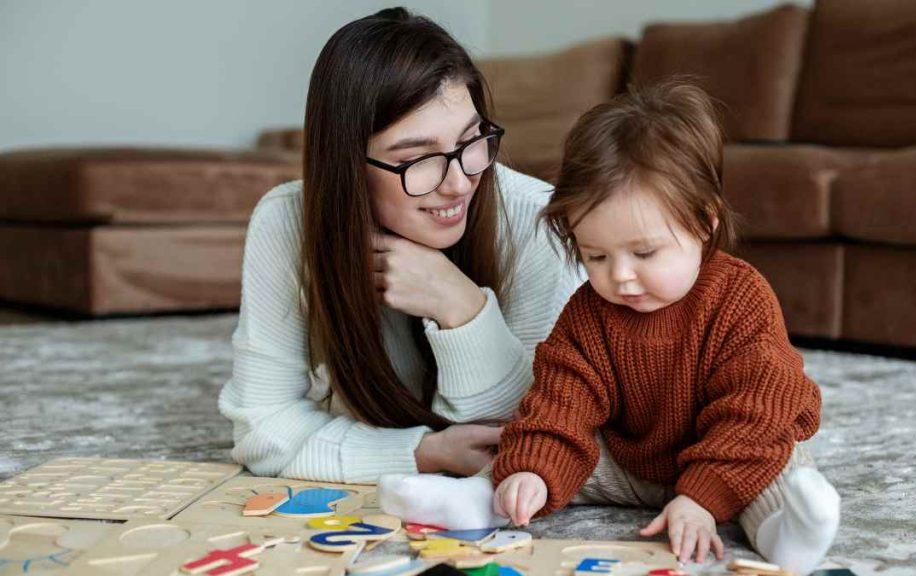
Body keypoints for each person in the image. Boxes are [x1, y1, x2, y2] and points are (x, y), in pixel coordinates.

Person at [490, 81, 841, 574]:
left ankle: (789, 535)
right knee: (528, 458)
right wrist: (533, 468)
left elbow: (757, 409)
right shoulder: (589, 312)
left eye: (644, 252)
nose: (621, 275)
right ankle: (481, 502)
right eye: (596, 256)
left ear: (703, 221)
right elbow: (562, 398)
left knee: (778, 468)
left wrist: (701, 498)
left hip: (728, 450)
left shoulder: (739, 297)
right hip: (636, 465)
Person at [218, 8, 580, 484]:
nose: (459, 183)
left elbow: (534, 436)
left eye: (472, 140)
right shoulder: (287, 221)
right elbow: (263, 431)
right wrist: (424, 453)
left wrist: (461, 306)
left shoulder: (538, 221)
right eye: (419, 159)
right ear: (347, 164)